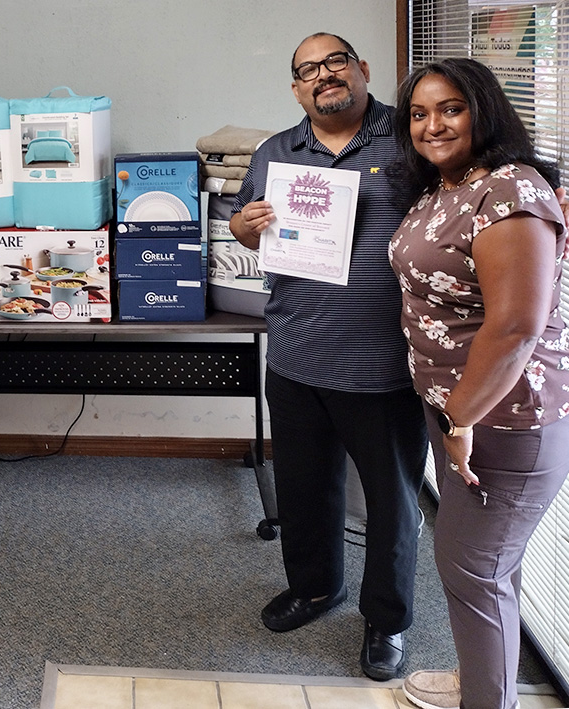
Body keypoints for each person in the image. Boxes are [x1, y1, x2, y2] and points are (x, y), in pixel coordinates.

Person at [229, 32, 429, 680]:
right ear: (296, 89)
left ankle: (387, 619)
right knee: (304, 489)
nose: (323, 76)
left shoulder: (411, 139)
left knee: (391, 504)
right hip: (294, 355)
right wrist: (244, 226)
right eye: (308, 70)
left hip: (384, 364)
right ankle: (315, 587)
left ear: (362, 69)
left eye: (334, 62)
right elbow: (240, 225)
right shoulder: (273, 152)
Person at [389, 58, 569, 709]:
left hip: (503, 421)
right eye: (419, 113)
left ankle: (487, 700)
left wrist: (462, 418)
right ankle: (485, 683)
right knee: (491, 568)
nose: (433, 124)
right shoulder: (448, 186)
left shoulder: (511, 191)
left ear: (484, 110)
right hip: (459, 414)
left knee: (473, 569)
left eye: (451, 108)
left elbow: (517, 326)